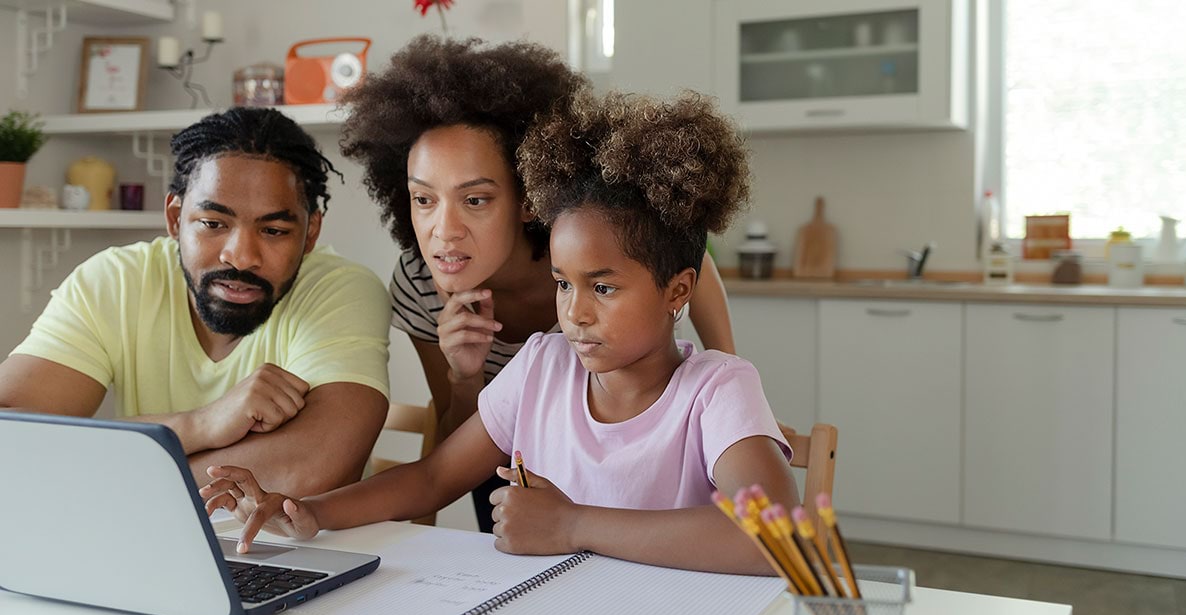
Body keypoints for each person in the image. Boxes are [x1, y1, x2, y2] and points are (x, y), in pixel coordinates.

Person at [200, 91, 800, 575]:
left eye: (604, 287)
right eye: (563, 284)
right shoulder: (541, 365)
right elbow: (434, 477)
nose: (575, 313)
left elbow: (779, 539)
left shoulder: (719, 388)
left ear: (677, 292)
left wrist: (572, 524)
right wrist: (309, 511)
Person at [339, 36, 740, 531]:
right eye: (424, 200)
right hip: (520, 460)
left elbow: (686, 262)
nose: (444, 231)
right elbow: (447, 461)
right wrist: (462, 377)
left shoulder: (579, 241)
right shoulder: (424, 287)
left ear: (527, 198)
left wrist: (728, 369)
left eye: (477, 200)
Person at [0, 108, 391, 496]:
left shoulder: (341, 289)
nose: (240, 256)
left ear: (310, 234)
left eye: (273, 230)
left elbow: (311, 468)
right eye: (213, 224)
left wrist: (106, 473)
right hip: (140, 537)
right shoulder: (115, 281)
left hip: (300, 551)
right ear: (174, 218)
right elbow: (11, 437)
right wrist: (199, 424)